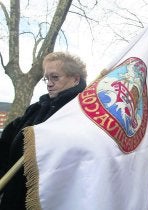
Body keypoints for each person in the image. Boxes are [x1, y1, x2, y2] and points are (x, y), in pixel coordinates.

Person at [0, 52, 87, 210]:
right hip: (14, 197)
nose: (49, 83)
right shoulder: (37, 108)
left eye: (55, 77)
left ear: (75, 79)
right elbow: (7, 140)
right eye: (46, 78)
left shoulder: (81, 113)